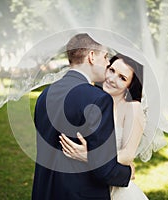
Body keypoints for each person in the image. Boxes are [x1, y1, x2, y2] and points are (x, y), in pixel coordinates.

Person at [32, 33, 135, 200]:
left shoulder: (44, 95)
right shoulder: (98, 99)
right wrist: (128, 172)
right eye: (105, 56)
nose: (108, 63)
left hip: (44, 192)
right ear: (92, 57)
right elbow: (105, 170)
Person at [59, 53, 149, 199]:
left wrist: (88, 157)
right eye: (112, 70)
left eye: (122, 78)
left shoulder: (132, 108)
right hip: (87, 184)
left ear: (129, 86)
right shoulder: (92, 98)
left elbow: (128, 154)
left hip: (116, 189)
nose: (112, 79)